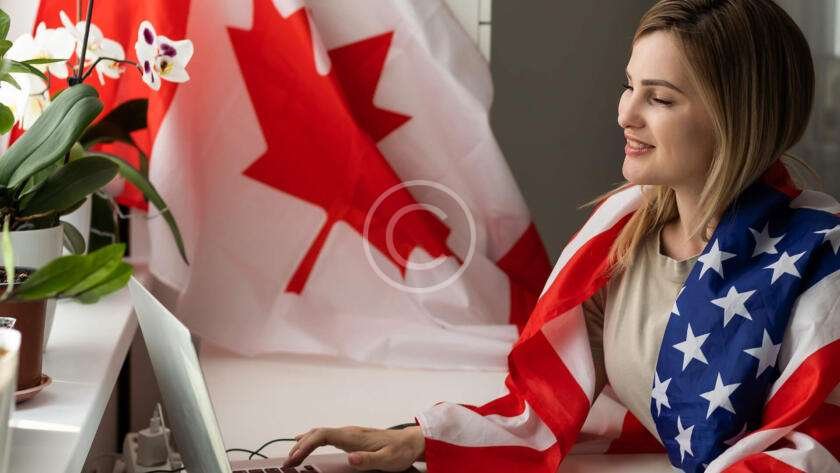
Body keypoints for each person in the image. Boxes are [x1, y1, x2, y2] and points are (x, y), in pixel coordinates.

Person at [284, 1, 840, 471]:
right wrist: (420, 438)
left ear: (738, 117)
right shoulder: (621, 232)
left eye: (660, 98)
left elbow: (818, 446)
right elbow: (547, 403)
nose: (625, 114)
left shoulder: (821, 255)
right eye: (629, 86)